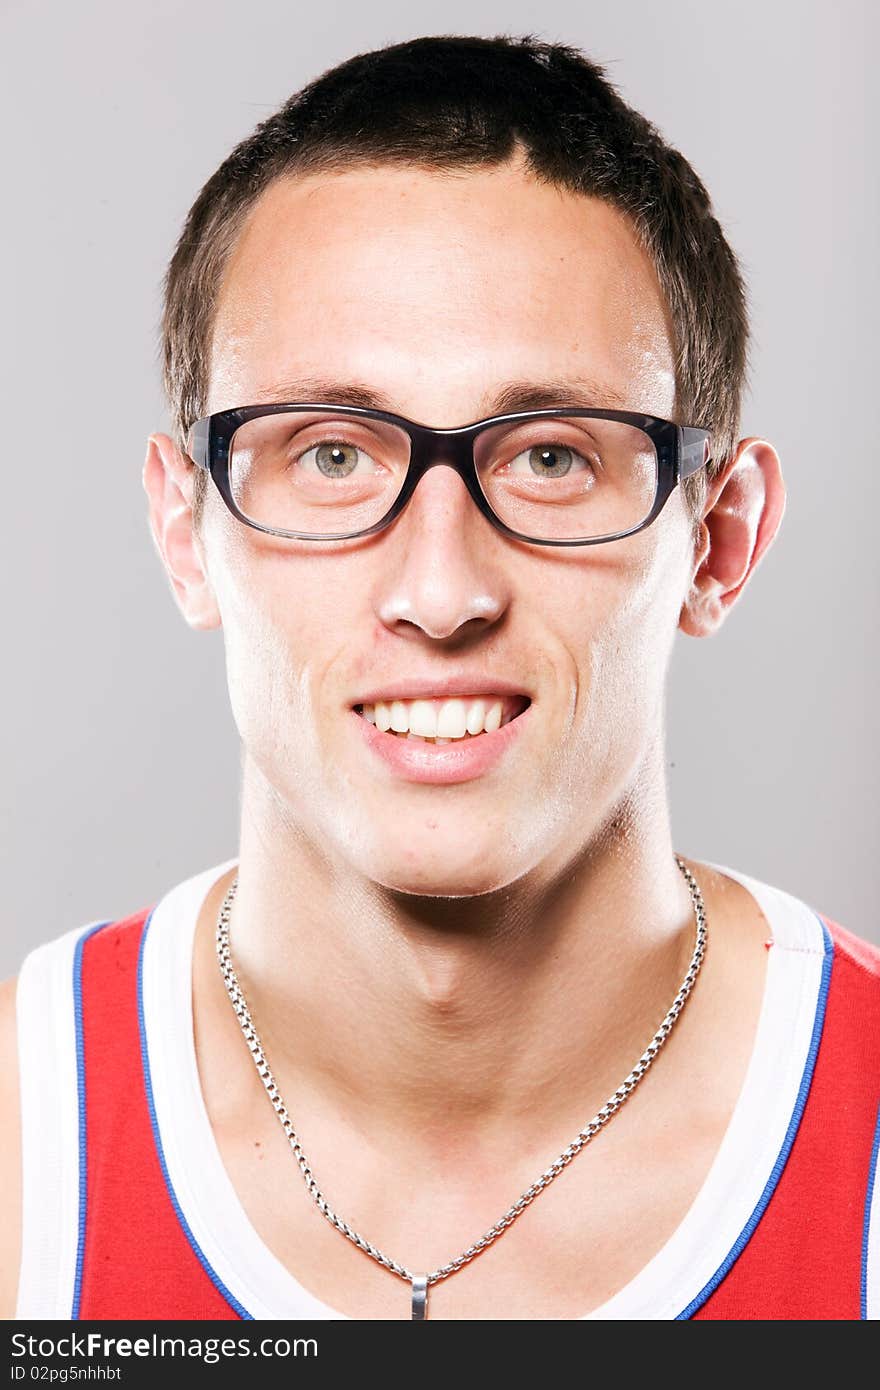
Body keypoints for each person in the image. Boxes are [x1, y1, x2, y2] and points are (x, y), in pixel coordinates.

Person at [2, 33, 878, 1323]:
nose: (441, 590)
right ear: (186, 535)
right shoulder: (24, 1144)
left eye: (552, 458)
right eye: (333, 456)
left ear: (721, 539)